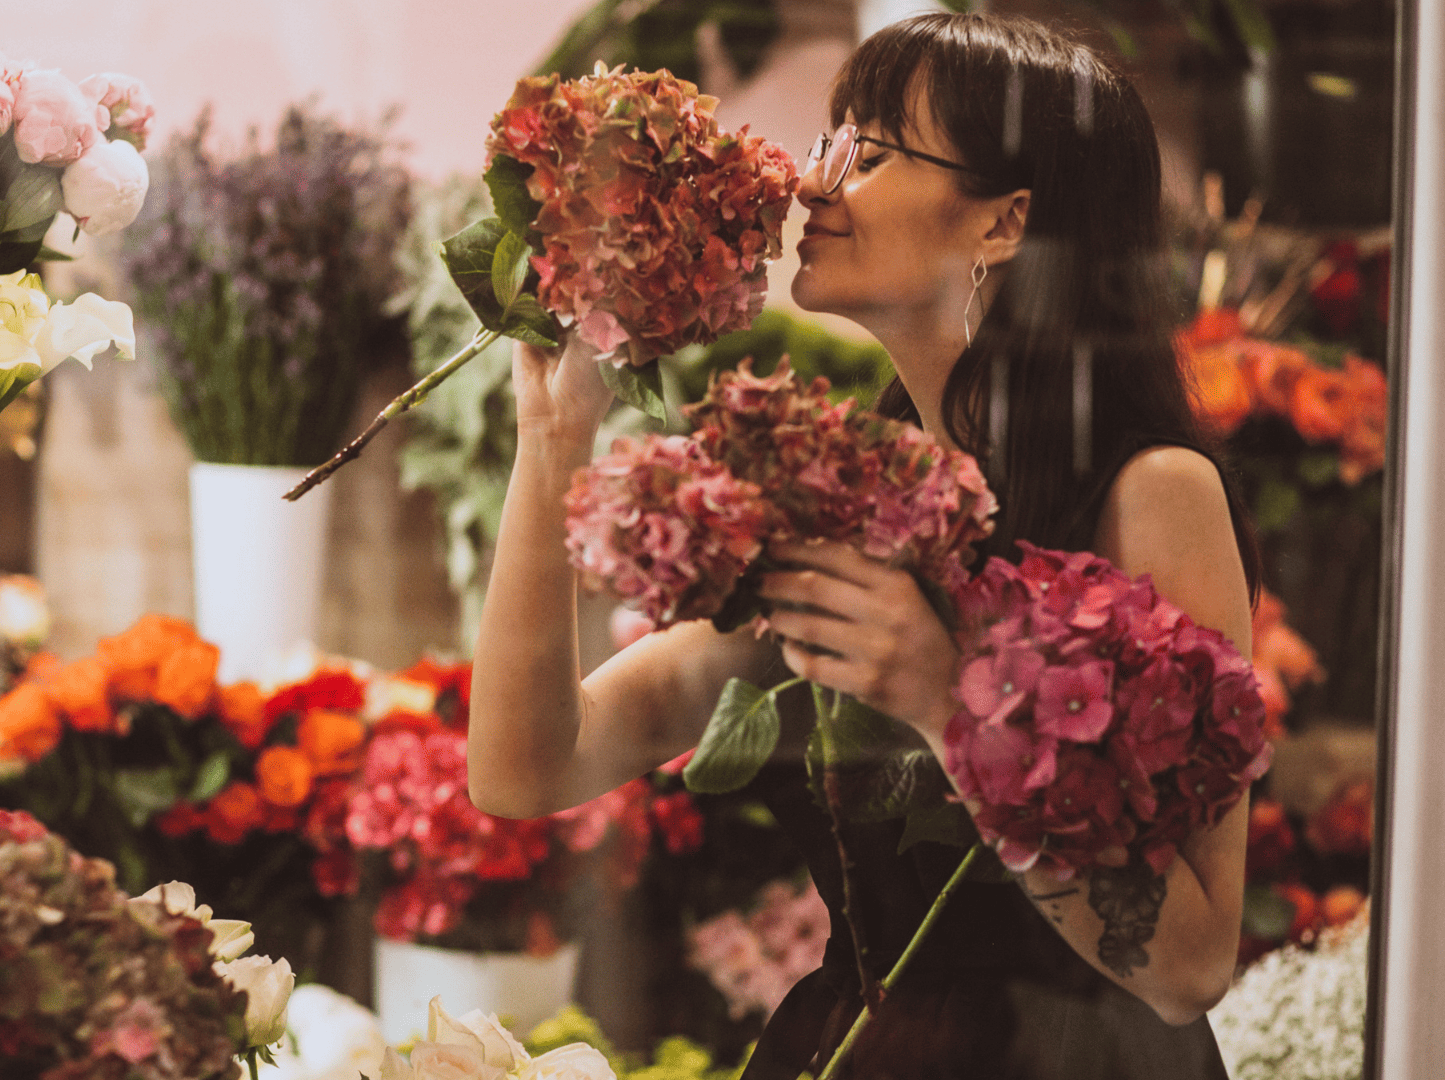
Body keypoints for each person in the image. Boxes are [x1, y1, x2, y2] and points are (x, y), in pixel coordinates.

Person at [468, 12, 1257, 1079]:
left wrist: (950, 705)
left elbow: (1193, 964)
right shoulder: (832, 507)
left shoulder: (1151, 494)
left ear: (1004, 223)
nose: (811, 182)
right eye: (833, 141)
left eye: (871, 153)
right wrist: (553, 431)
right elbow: (528, 767)